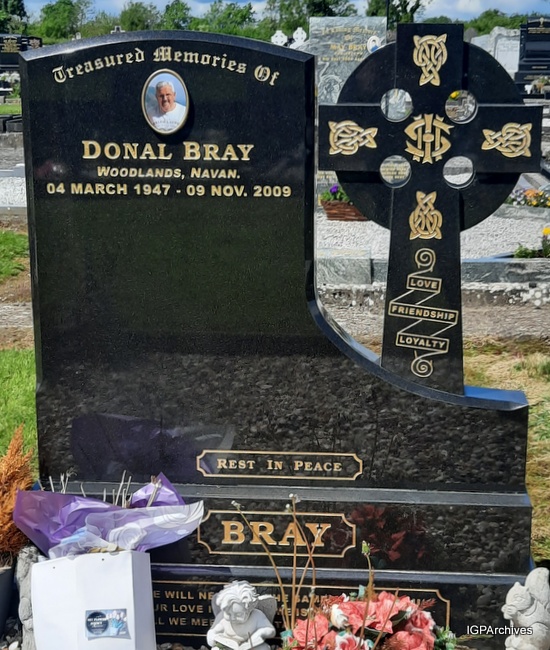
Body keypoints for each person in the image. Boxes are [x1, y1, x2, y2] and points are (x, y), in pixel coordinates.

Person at [207, 581, 276, 650]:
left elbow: (271, 630)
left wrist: (260, 633)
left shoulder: (257, 616)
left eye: (238, 614)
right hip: (228, 647)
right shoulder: (222, 618)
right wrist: (212, 638)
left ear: (249, 609)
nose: (233, 618)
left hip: (250, 647)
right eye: (228, 614)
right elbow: (212, 632)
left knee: (263, 648)